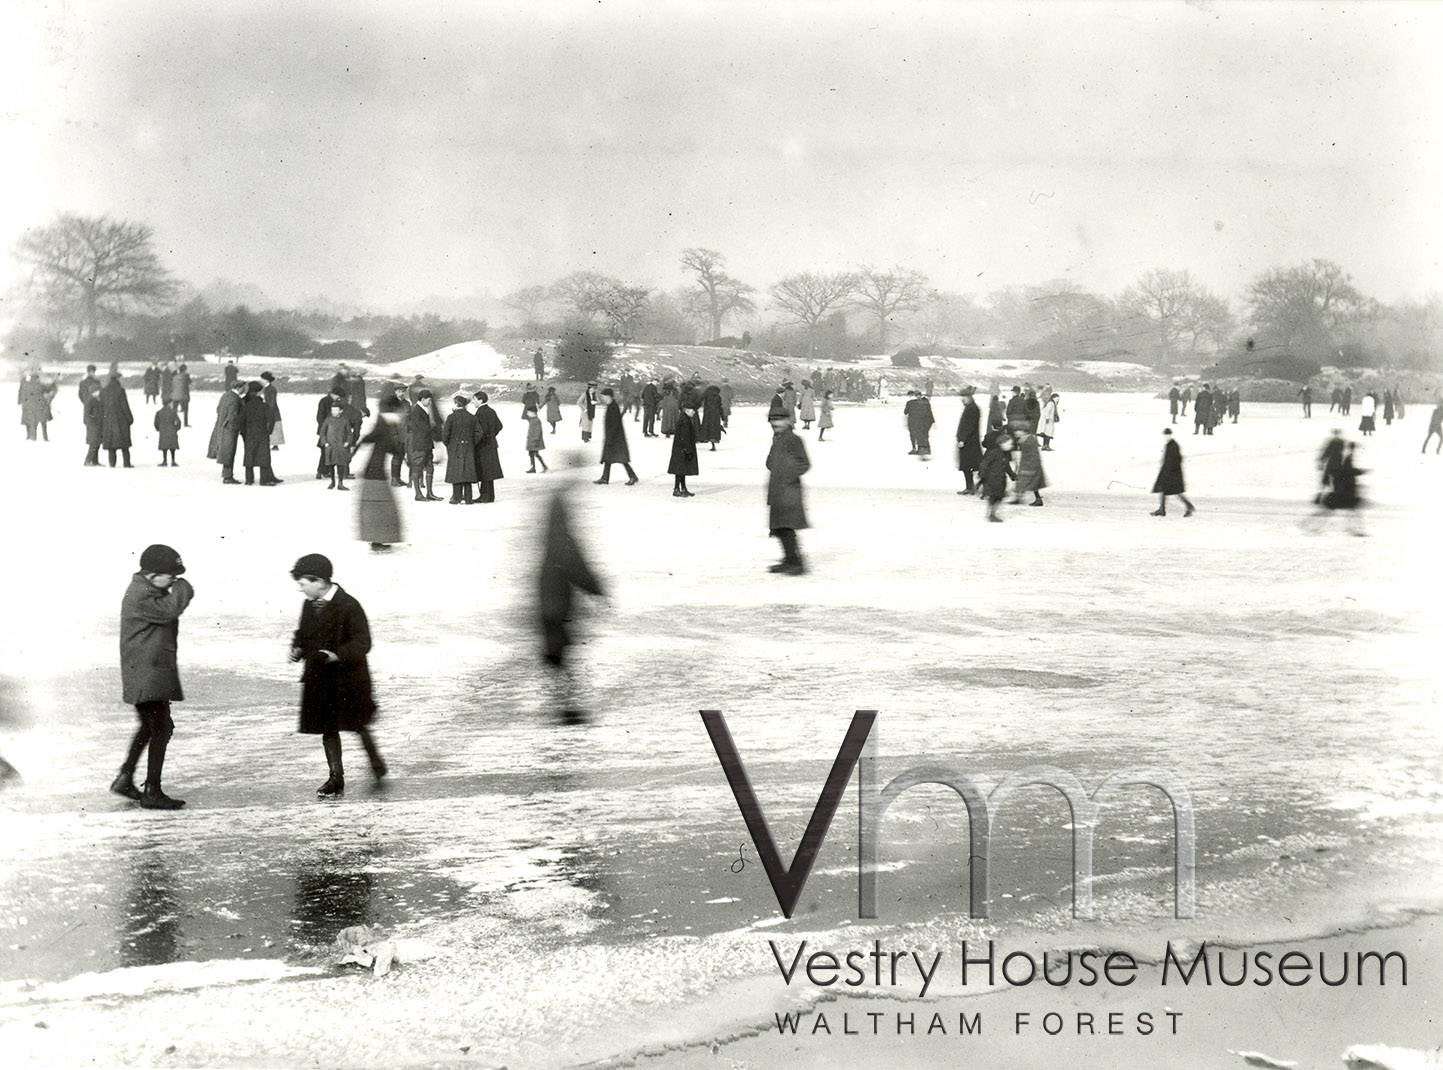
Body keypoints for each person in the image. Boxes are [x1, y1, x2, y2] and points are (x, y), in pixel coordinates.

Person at [288, 554, 386, 797]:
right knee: (327, 727)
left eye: (302, 584)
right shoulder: (309, 605)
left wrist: (336, 655)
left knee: (356, 723)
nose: (300, 589)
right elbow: (304, 632)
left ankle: (375, 762)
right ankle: (336, 777)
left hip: (347, 679)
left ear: (319, 581)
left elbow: (363, 642)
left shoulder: (349, 605)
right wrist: (298, 648)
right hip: (319, 678)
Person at [112, 544, 193, 810]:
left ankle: (125, 778)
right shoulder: (142, 595)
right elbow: (171, 609)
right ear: (152, 574)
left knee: (151, 727)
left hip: (146, 674)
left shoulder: (145, 590)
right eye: (171, 575)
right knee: (161, 728)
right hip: (147, 676)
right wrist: (185, 588)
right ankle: (152, 792)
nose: (174, 580)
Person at [539, 455, 606, 720]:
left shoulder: (557, 527)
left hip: (552, 593)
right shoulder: (560, 533)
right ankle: (566, 708)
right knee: (557, 653)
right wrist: (595, 587)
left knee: (556, 653)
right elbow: (571, 560)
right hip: (554, 596)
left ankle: (565, 706)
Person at [358, 393, 405, 552]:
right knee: (382, 508)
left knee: (377, 508)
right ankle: (378, 540)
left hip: (373, 472)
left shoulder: (383, 422)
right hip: (376, 474)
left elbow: (373, 439)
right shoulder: (385, 423)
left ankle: (376, 539)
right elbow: (386, 443)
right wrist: (398, 450)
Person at [765, 410, 810, 573]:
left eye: (779, 420)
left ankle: (797, 563)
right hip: (777, 489)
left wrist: (787, 475)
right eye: (772, 421)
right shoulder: (777, 439)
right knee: (778, 527)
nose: (775, 424)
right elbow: (770, 462)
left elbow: (804, 463)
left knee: (786, 527)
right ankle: (789, 559)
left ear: (788, 422)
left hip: (789, 491)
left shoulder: (794, 439)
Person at [240, 381, 282, 486]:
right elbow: (271, 420)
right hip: (262, 435)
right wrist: (268, 432)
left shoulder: (246, 406)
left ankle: (249, 480)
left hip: (249, 435)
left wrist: (244, 433)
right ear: (258, 393)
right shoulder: (264, 406)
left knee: (249, 457)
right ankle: (264, 480)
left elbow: (240, 421)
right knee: (263, 458)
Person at [595, 388, 638, 485]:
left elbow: (615, 424)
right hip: (612, 436)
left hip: (615, 437)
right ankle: (605, 478)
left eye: (603, 396)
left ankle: (633, 476)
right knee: (608, 457)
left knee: (621, 459)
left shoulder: (613, 406)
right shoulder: (611, 405)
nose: (602, 398)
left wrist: (610, 438)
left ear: (608, 396)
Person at [407, 388, 443, 501]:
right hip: (420, 444)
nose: (430, 402)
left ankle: (429, 493)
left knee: (430, 468)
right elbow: (423, 428)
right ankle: (418, 494)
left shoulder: (421, 409)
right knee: (417, 468)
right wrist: (437, 431)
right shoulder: (416, 410)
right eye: (429, 400)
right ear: (422, 399)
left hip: (426, 443)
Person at [1150, 428, 1195, 517]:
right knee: (1165, 490)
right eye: (1165, 435)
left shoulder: (1173, 445)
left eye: (1167, 435)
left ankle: (1188, 506)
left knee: (1173, 491)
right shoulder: (1170, 444)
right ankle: (1162, 509)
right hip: (1169, 472)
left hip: (1171, 473)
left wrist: (1170, 471)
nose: (1166, 437)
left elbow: (1176, 459)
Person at [442, 394, 479, 503]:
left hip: (455, 447)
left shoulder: (451, 417)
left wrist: (449, 444)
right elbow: (478, 433)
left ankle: (456, 497)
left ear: (456, 404)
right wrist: (472, 443)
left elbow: (445, 435)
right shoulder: (472, 417)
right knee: (467, 472)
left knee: (456, 472)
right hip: (468, 447)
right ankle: (468, 498)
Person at [472, 391, 505, 503]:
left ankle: (484, 496)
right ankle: (489, 496)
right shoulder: (491, 411)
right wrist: (491, 436)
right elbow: (499, 426)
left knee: (484, 470)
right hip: (492, 444)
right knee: (489, 471)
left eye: (474, 399)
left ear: (480, 400)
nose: (473, 402)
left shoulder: (480, 413)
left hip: (483, 446)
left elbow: (481, 431)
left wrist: (478, 441)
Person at [977, 430, 1015, 522]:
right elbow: (984, 464)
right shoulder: (994, 453)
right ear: (1002, 444)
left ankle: (991, 514)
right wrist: (982, 476)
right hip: (992, 479)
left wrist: (1012, 475)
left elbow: (1006, 466)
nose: (1011, 446)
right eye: (1009, 444)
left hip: (1000, 479)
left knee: (998, 497)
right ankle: (991, 515)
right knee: (994, 497)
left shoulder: (1004, 454)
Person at [100, 369, 135, 467]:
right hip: (121, 421)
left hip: (108, 421)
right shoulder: (120, 390)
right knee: (124, 445)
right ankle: (126, 463)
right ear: (117, 379)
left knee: (111, 445)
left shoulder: (103, 391)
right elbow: (125, 406)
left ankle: (112, 464)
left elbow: (101, 406)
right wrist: (130, 419)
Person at [319, 399, 354, 490]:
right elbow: (322, 432)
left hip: (341, 447)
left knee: (341, 465)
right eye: (332, 410)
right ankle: (332, 482)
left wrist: (347, 442)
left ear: (341, 411)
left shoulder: (345, 421)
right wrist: (324, 442)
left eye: (336, 410)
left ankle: (340, 483)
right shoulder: (328, 420)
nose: (334, 412)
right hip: (330, 446)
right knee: (331, 465)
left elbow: (350, 433)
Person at [17, 364, 55, 442]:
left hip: (29, 406)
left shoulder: (26, 383)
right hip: (40, 407)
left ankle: (31, 437)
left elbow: (21, 392)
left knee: (32, 423)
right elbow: (47, 390)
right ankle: (45, 438)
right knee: (43, 423)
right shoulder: (39, 385)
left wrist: (19, 401)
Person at [669, 396, 699, 496]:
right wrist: (688, 450)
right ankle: (677, 489)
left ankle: (682, 488)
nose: (694, 412)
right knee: (680, 470)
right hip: (682, 450)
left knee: (681, 470)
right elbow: (685, 437)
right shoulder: (685, 421)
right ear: (686, 410)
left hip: (680, 449)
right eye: (692, 410)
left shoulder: (684, 418)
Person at [955, 386, 982, 494]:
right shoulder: (970, 407)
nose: (962, 399)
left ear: (969, 397)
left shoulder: (972, 409)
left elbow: (969, 426)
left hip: (969, 442)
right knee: (970, 466)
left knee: (970, 466)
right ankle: (971, 487)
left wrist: (962, 439)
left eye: (964, 397)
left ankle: (972, 487)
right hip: (969, 441)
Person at [1012, 426, 1046, 506]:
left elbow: (1032, 454)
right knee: (1028, 482)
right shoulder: (1026, 439)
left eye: (1017, 431)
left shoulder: (1029, 440)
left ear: (1023, 431)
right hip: (1028, 464)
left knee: (1027, 481)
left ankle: (1021, 498)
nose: (1015, 433)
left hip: (1030, 465)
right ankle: (1020, 498)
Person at [261, 371, 285, 452]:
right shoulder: (267, 388)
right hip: (270, 410)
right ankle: (273, 444)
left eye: (262, 379)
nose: (261, 381)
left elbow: (272, 402)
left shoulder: (270, 389)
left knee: (274, 427)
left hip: (272, 411)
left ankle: (275, 445)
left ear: (266, 380)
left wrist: (268, 410)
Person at [155, 399, 181, 467]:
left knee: (164, 448)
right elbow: (178, 422)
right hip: (172, 431)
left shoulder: (159, 412)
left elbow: (156, 423)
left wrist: (159, 429)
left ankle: (164, 461)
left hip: (163, 432)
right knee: (172, 448)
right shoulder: (173, 412)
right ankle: (173, 461)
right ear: (169, 403)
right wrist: (176, 429)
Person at [82, 382, 103, 466]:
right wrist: (93, 422)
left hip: (97, 426)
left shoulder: (97, 399)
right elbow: (87, 415)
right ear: (93, 392)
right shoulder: (90, 400)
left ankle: (95, 461)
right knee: (93, 444)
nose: (99, 392)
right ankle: (87, 461)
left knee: (97, 443)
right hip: (93, 426)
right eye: (98, 391)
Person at [700, 383, 725, 451]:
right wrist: (723, 417)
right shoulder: (718, 396)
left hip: (708, 413)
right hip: (716, 415)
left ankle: (706, 439)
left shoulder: (707, 394)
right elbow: (720, 407)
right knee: (714, 429)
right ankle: (713, 443)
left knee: (707, 427)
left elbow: (699, 399)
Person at [525, 407, 548, 473]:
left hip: (534, 441)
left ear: (533, 413)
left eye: (529, 412)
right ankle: (534, 467)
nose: (527, 414)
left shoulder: (536, 420)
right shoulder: (532, 420)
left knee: (535, 454)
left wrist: (536, 439)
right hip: (531, 440)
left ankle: (541, 466)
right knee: (532, 454)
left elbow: (538, 430)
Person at [174, 363, 192, 427]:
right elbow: (190, 382)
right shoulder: (186, 376)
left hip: (175, 395)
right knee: (186, 410)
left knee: (174, 410)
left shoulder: (175, 376)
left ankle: (175, 421)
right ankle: (185, 423)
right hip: (184, 395)